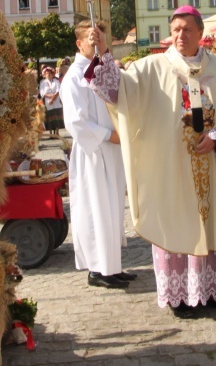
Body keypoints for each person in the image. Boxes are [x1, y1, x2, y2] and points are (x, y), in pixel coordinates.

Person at [85, 5, 216, 318]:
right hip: (172, 167)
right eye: (176, 29)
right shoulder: (152, 67)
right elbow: (118, 92)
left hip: (212, 164)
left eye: (187, 29)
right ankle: (181, 297)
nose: (181, 35)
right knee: (176, 222)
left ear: (200, 33)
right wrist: (104, 51)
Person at [59, 20, 135, 290]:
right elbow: (76, 122)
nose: (95, 44)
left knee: (113, 209)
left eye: (99, 39)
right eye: (91, 40)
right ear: (79, 43)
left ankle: (112, 267)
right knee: (96, 209)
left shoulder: (102, 69)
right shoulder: (73, 78)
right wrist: (108, 135)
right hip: (94, 152)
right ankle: (97, 270)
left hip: (112, 149)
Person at [39, 66, 65, 136]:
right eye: (47, 73)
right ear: (44, 74)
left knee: (57, 116)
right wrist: (50, 97)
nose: (48, 75)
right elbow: (42, 93)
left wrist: (53, 98)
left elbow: (58, 90)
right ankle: (50, 133)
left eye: (49, 73)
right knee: (50, 117)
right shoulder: (43, 83)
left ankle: (57, 132)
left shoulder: (56, 81)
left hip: (56, 101)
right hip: (48, 102)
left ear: (52, 74)